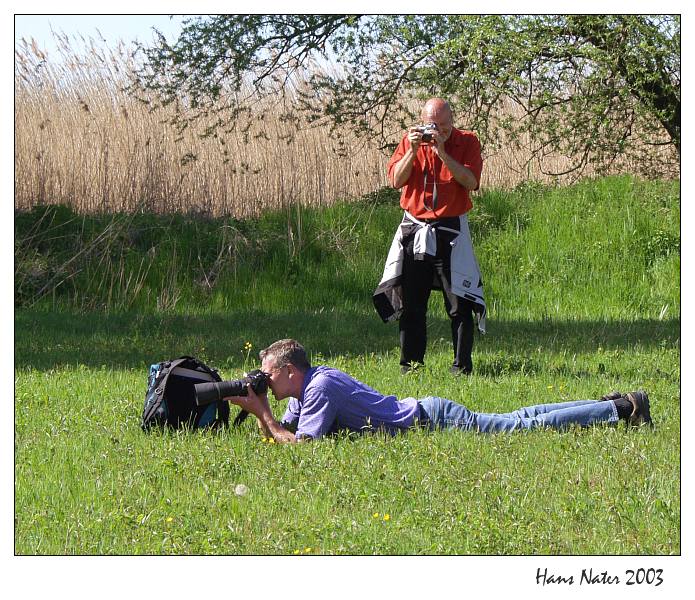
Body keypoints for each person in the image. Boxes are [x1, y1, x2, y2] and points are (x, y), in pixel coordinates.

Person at [223, 339, 653, 444]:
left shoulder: (319, 390)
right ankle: (610, 404)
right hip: (428, 410)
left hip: (431, 419)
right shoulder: (309, 385)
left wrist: (262, 415)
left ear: (290, 371)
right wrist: (261, 408)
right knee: (523, 416)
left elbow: (302, 446)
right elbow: (287, 429)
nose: (265, 383)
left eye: (268, 377)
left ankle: (617, 410)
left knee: (518, 428)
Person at [373, 97, 486, 376]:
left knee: (459, 304)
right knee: (413, 304)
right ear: (422, 122)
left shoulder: (467, 142)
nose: (438, 131)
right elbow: (396, 181)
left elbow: (471, 182)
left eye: (444, 126)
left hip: (451, 231)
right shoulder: (410, 142)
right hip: (415, 229)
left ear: (452, 122)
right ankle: (411, 365)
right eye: (432, 126)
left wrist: (443, 152)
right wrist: (412, 151)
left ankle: (461, 367)